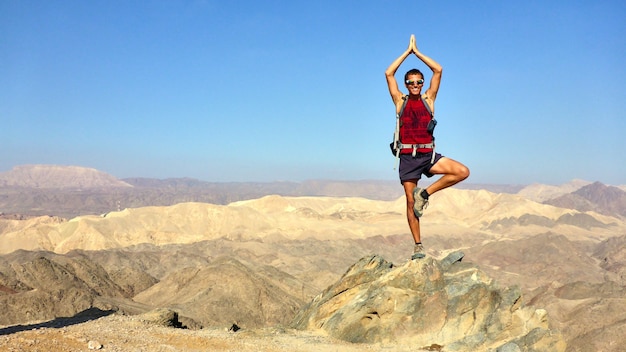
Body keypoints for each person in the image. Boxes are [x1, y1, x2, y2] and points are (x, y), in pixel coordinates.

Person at [385, 34, 469, 260]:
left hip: (428, 155)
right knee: (410, 202)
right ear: (406, 84)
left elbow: (438, 70)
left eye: (418, 82)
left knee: (462, 172)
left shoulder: (429, 99)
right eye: (411, 82)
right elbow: (388, 73)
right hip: (407, 157)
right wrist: (406, 52)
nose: (415, 85)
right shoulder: (399, 101)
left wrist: (418, 52)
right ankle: (418, 246)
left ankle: (427, 193)